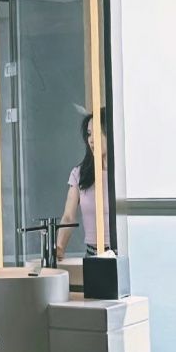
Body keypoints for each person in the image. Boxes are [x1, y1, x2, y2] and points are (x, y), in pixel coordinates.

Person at [56, 108, 110, 260]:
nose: (91, 140)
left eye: (96, 133)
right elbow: (68, 216)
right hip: (91, 255)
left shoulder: (123, 175)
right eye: (89, 134)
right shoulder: (79, 174)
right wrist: (59, 247)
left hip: (120, 254)